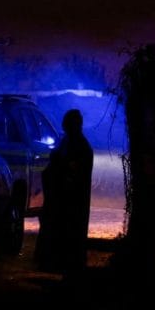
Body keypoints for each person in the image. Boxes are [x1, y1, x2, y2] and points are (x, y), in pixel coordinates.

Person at [34, 109, 93, 278]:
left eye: (68, 123)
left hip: (70, 201)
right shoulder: (69, 142)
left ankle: (65, 265)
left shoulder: (78, 145)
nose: (65, 126)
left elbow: (72, 171)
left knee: (68, 233)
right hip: (60, 198)